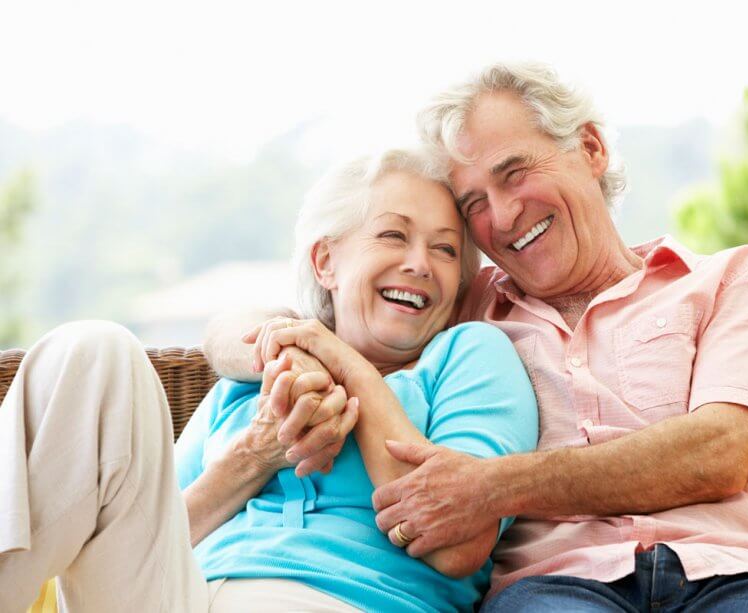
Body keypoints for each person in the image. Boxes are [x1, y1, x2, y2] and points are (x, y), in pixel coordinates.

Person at [209, 63, 748, 612]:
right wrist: (289, 349)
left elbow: (721, 451)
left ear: (589, 148)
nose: (502, 217)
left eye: (515, 173)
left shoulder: (736, 278)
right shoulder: (467, 305)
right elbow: (254, 326)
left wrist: (490, 486)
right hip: (557, 588)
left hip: (732, 576)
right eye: (475, 201)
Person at [0, 149, 538, 612]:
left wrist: (345, 368)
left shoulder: (470, 356)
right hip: (179, 595)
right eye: (394, 235)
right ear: (326, 261)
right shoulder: (256, 376)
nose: (420, 263)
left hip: (344, 600)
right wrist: (256, 455)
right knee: (92, 350)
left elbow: (456, 547)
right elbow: (151, 537)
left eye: (445, 249)